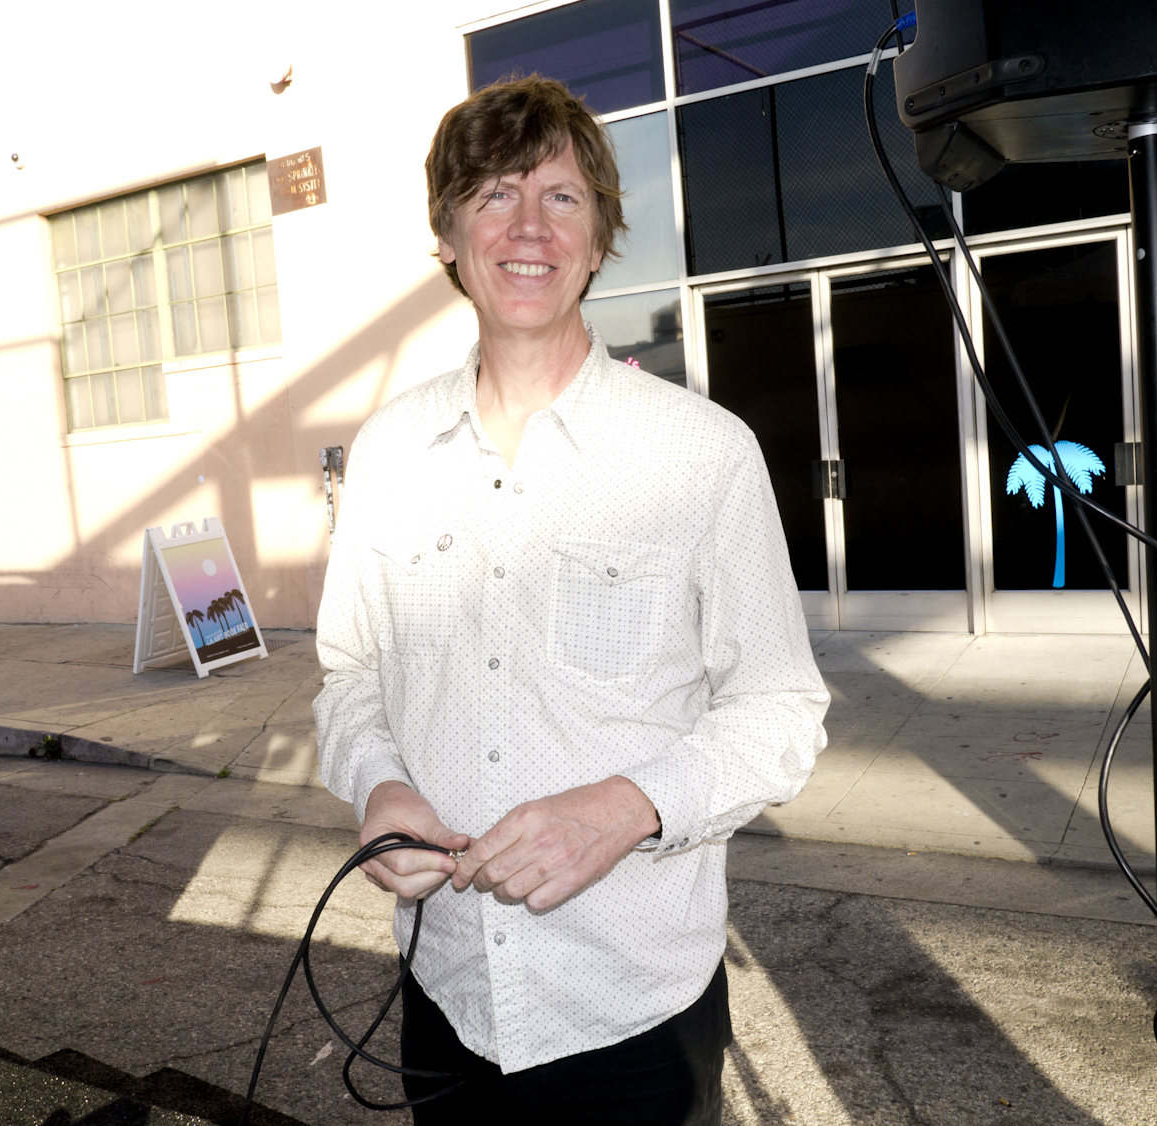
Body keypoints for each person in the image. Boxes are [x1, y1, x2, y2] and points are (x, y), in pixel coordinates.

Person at [314, 75, 829, 1125]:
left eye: (561, 197)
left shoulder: (703, 453)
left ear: (599, 240)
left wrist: (626, 809)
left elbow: (781, 711)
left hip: (632, 1010)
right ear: (448, 236)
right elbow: (351, 671)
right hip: (447, 991)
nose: (528, 227)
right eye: (494, 195)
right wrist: (380, 784)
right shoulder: (388, 453)